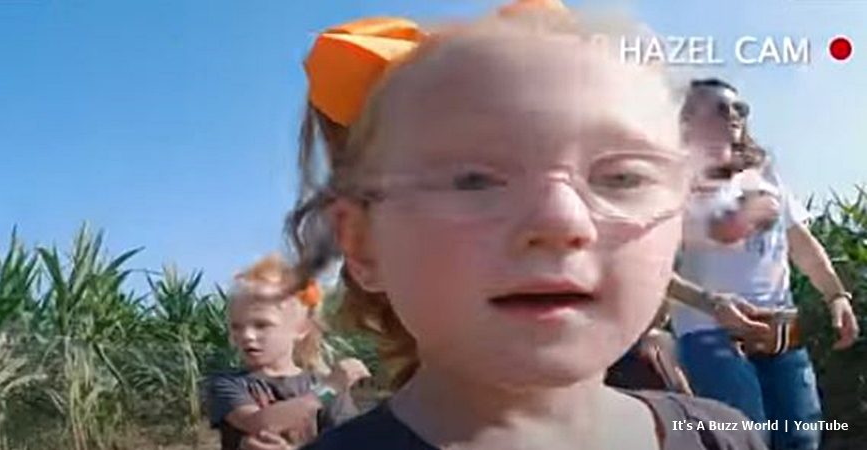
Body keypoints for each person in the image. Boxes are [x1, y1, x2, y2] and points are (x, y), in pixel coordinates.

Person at [267, 2, 768, 449]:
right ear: (364, 243)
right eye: (472, 179)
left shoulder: (723, 434)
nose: (561, 220)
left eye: (621, 177)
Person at [669, 78, 860, 450]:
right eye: (721, 108)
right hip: (710, 332)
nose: (734, 115)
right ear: (688, 119)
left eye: (739, 108)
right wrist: (712, 304)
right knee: (745, 438)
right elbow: (654, 271)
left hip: (780, 332)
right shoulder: (670, 185)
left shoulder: (764, 174)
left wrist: (836, 295)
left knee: (801, 439)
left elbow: (801, 242)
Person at [205, 254, 370, 450]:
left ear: (301, 329)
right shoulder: (227, 384)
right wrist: (329, 390)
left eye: (261, 325)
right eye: (236, 327)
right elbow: (259, 423)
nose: (247, 335)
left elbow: (348, 442)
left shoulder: (320, 383)